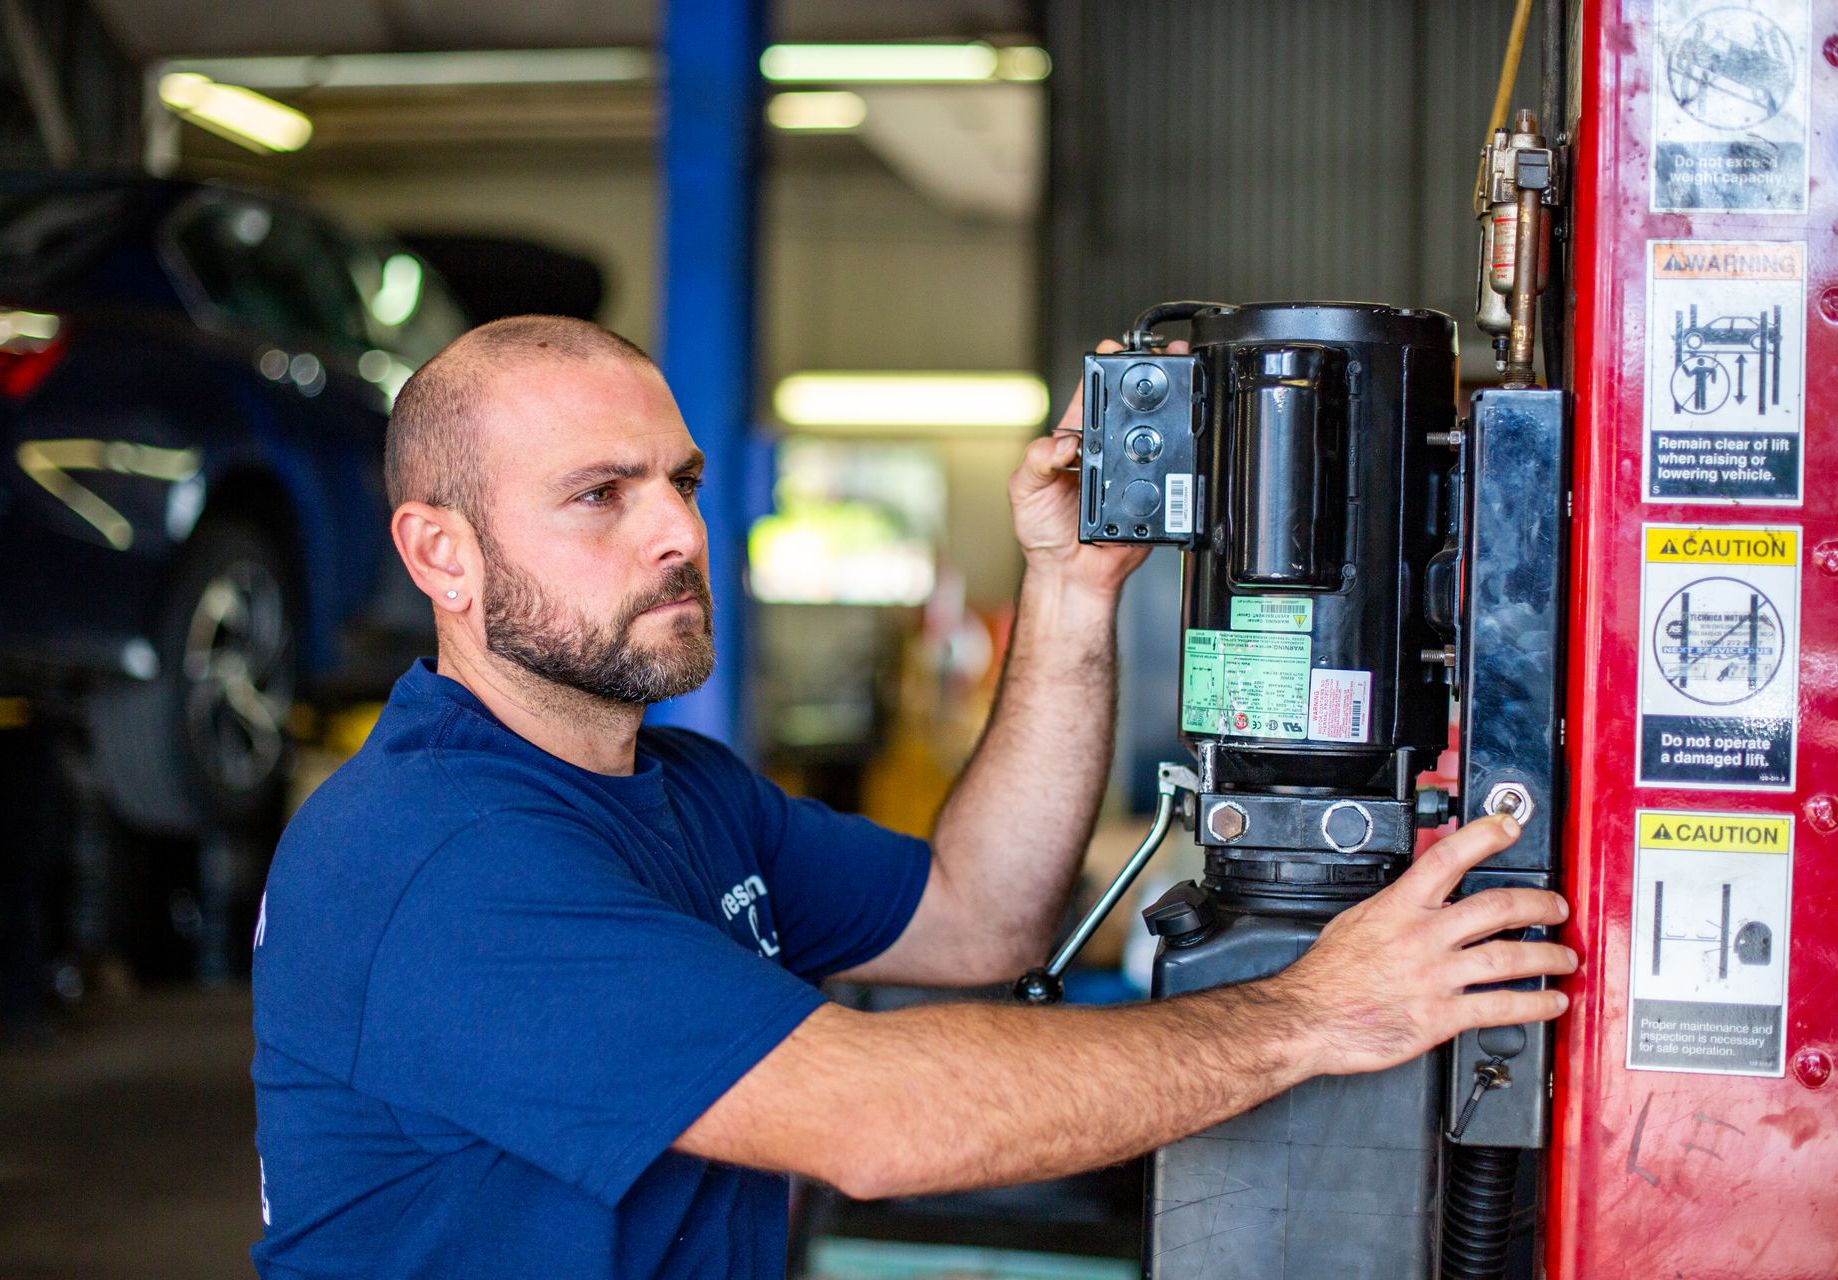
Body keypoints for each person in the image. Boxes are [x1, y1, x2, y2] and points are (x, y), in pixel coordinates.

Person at [250, 316, 1576, 1279]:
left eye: (683, 484)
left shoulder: (683, 794)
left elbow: (976, 920)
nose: (678, 533)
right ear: (442, 553)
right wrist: (1311, 1013)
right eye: (601, 495)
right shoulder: (432, 859)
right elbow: (874, 1124)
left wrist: (1068, 587)